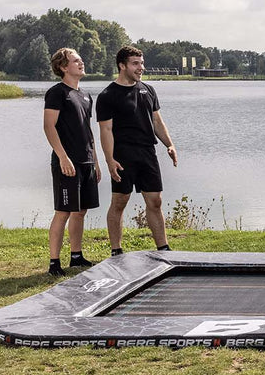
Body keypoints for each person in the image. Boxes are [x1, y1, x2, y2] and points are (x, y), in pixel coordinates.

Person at [96, 46, 178, 255]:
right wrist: (109, 160)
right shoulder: (108, 95)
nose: (140, 67)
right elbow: (106, 130)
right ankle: (116, 250)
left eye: (141, 63)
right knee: (120, 201)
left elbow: (157, 120)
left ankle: (163, 248)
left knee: (155, 201)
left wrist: (169, 144)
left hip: (147, 152)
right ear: (122, 66)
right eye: (135, 63)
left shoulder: (148, 90)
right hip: (122, 154)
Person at [43, 48, 101, 275]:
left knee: (81, 211)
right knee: (63, 211)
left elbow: (87, 130)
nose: (81, 62)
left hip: (86, 162)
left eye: (80, 59)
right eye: (76, 60)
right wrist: (63, 157)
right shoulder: (56, 93)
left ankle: (76, 256)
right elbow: (49, 127)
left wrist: (95, 161)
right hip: (66, 162)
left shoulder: (86, 96)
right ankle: (54, 263)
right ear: (63, 67)